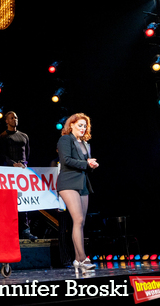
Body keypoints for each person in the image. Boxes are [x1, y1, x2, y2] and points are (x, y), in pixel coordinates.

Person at [57, 113, 99, 272]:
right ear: (71, 125)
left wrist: (91, 165)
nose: (83, 128)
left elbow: (85, 165)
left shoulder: (85, 144)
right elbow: (66, 160)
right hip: (68, 181)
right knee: (78, 218)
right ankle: (83, 258)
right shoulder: (65, 139)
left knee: (80, 222)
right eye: (80, 125)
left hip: (82, 183)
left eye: (85, 126)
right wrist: (85, 163)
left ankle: (77, 259)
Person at [0, 111, 37, 240]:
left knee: (24, 200)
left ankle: (25, 229)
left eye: (16, 117)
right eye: (12, 118)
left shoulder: (24, 136)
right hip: (10, 173)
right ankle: (11, 230)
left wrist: (24, 163)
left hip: (23, 173)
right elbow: (2, 155)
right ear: (6, 121)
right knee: (11, 201)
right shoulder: (3, 137)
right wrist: (13, 164)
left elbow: (28, 152)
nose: (15, 119)